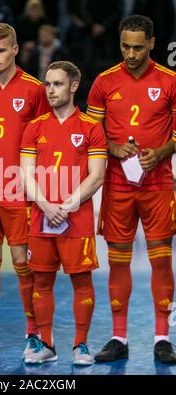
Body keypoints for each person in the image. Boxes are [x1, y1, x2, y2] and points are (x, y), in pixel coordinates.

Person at [87, 14, 176, 363]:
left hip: (158, 185)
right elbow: (91, 133)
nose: (131, 53)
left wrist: (164, 151)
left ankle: (162, 338)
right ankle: (118, 337)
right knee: (118, 262)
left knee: (162, 261)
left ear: (152, 43)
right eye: (125, 46)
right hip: (118, 185)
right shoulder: (104, 81)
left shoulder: (170, 80)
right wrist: (111, 147)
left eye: (138, 47)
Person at [0, 22, 50, 359]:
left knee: (22, 263)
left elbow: (45, 139)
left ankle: (33, 335)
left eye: (1, 51)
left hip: (21, 190)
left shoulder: (33, 89)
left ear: (15, 49)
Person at [20, 60, 107, 364]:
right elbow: (25, 174)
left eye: (57, 84)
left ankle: (80, 345)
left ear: (73, 86)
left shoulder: (91, 128)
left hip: (77, 219)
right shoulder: (34, 127)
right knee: (41, 282)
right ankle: (46, 345)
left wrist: (67, 205)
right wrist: (45, 205)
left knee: (81, 282)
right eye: (47, 83)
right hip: (41, 217)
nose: (50, 90)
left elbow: (96, 176)